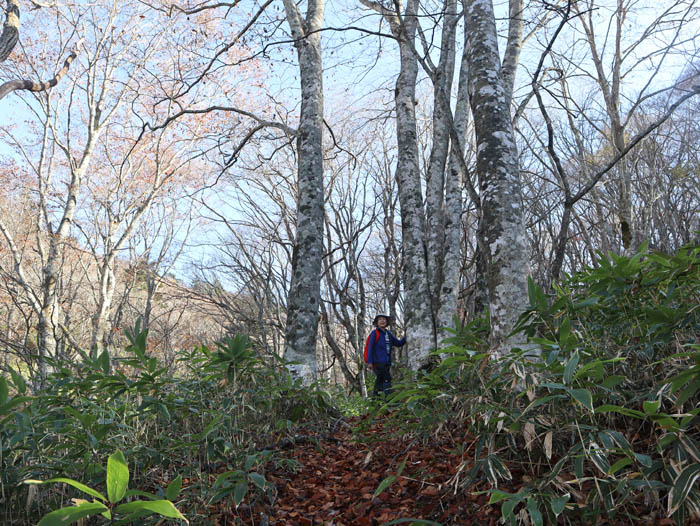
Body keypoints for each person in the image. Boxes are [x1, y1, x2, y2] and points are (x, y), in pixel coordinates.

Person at [366, 313, 406, 397]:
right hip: (378, 362)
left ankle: (376, 400)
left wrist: (406, 335)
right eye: (380, 319)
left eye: (384, 319)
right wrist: (369, 362)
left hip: (387, 362)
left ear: (387, 322)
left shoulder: (388, 334)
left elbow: (398, 343)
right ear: (377, 322)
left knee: (380, 381)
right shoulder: (375, 333)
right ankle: (390, 402)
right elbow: (370, 348)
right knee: (387, 379)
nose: (382, 321)